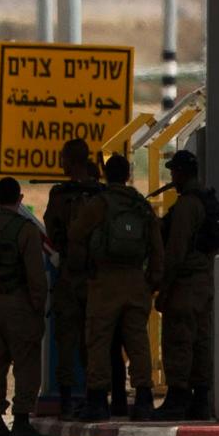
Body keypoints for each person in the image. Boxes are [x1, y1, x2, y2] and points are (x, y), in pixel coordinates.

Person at [71, 149, 162, 418]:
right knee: (138, 342)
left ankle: (98, 401)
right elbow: (157, 246)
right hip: (136, 282)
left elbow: (76, 233)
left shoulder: (100, 203)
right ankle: (144, 400)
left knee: (99, 340)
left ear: (105, 175)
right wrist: (153, 281)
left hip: (105, 282)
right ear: (129, 175)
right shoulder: (140, 205)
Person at [0, 175, 53, 436]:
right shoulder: (25, 231)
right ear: (20, 200)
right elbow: (36, 276)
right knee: (26, 363)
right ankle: (21, 419)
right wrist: (38, 307)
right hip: (20, 307)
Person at [155, 147, 219, 419]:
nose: (172, 176)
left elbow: (176, 252)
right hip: (204, 282)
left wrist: (163, 287)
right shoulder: (206, 201)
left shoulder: (187, 205)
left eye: (173, 171)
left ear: (181, 173)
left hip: (184, 284)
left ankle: (177, 400)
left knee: (178, 341)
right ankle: (200, 401)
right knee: (201, 341)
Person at [41, 138, 101, 418]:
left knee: (67, 340)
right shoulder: (102, 194)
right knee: (97, 340)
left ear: (71, 160)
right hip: (99, 279)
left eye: (64, 158)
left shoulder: (60, 195)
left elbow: (52, 231)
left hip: (69, 277)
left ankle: (66, 402)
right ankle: (95, 399)